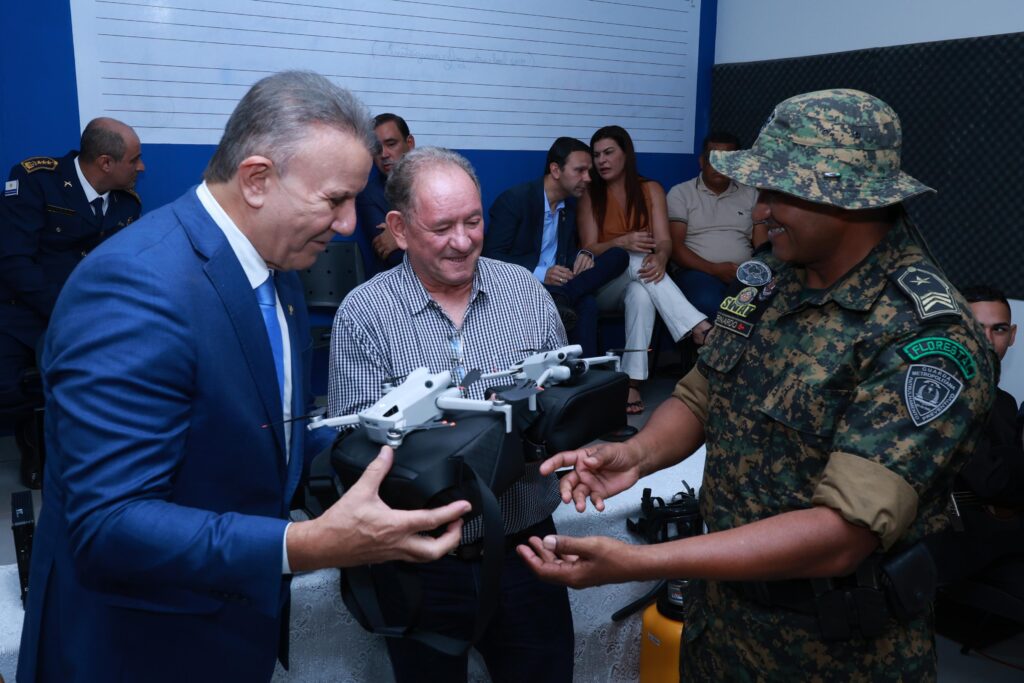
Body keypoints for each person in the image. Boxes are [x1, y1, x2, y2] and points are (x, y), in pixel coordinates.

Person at [518, 89, 996, 681]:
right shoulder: (770, 280)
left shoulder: (925, 336)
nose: (760, 210)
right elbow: (701, 393)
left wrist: (640, 562)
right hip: (721, 626)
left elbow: (841, 534)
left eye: (777, 193)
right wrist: (635, 455)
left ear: (845, 198)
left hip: (832, 653)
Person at [17, 71, 470, 683]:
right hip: (136, 646)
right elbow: (108, 525)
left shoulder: (277, 265)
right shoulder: (133, 288)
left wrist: (382, 439)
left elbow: (259, 428)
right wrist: (307, 545)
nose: (346, 224)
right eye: (334, 200)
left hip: (227, 628)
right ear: (257, 179)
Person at [329, 146, 574, 683]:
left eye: (473, 221)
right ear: (399, 228)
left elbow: (560, 400)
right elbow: (356, 453)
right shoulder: (364, 315)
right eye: (441, 227)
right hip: (420, 562)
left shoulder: (526, 293)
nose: (462, 241)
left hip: (528, 547)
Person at [0, 117, 144, 488]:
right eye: (134, 160)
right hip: (25, 312)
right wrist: (65, 311)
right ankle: (33, 438)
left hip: (89, 317)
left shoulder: (126, 205)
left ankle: (97, 457)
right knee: (9, 389)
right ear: (106, 163)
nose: (142, 168)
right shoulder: (36, 181)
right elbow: (15, 261)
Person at [578, 125, 711, 414]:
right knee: (635, 257)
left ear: (626, 154)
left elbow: (663, 241)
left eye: (608, 153)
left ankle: (632, 382)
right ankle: (698, 327)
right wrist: (621, 242)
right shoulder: (590, 194)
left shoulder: (650, 189)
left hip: (643, 279)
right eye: (597, 155)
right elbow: (589, 247)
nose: (601, 161)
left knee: (641, 294)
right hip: (604, 285)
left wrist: (662, 256)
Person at [483, 136, 628, 356]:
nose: (588, 178)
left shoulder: (568, 208)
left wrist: (583, 255)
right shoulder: (515, 200)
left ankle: (563, 297)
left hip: (562, 287)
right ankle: (583, 374)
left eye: (589, 171)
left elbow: (565, 255)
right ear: (555, 170)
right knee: (586, 303)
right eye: (580, 170)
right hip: (524, 287)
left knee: (619, 256)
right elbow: (490, 257)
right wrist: (543, 273)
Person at [924, 285, 1022, 584]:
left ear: (1012, 335)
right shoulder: (939, 393)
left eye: (999, 329)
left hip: (996, 542)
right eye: (976, 328)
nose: (987, 341)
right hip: (950, 554)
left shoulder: (1004, 402)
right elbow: (993, 481)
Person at [667, 131, 765, 318]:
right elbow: (675, 248)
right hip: (696, 272)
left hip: (743, 274)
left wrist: (756, 274)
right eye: (713, 159)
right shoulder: (681, 193)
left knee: (764, 306)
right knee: (708, 301)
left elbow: (762, 246)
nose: (719, 166)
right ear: (701, 162)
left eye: (726, 160)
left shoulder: (751, 194)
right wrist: (714, 269)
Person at [355, 112, 415, 275]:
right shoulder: (368, 194)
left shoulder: (434, 182)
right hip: (396, 282)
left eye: (391, 144)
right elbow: (392, 255)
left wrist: (405, 234)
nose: (384, 154)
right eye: (377, 148)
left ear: (409, 143)